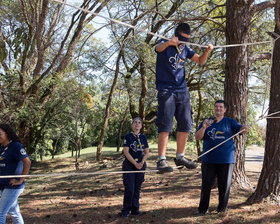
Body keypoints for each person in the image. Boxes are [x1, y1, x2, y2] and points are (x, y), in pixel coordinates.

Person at [155, 22, 213, 172]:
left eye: (187, 39)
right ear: (176, 35)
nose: (184, 42)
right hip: (166, 89)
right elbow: (157, 48)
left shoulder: (185, 49)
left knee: (186, 123)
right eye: (182, 39)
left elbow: (200, 61)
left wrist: (206, 51)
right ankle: (161, 160)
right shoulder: (164, 43)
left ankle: (180, 157)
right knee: (165, 124)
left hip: (182, 90)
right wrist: (169, 43)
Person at [195, 100, 250, 215]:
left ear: (225, 110)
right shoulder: (207, 121)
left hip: (226, 160)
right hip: (208, 159)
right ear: (214, 109)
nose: (218, 109)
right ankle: (202, 209)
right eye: (216, 107)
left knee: (224, 186)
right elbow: (198, 137)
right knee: (206, 186)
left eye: (221, 107)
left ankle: (222, 209)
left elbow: (241, 130)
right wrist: (204, 127)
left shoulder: (229, 122)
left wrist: (244, 128)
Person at [0, 124, 31, 224]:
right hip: (3, 185)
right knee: (14, 212)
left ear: (7, 133)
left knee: (1, 212)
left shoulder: (16, 146)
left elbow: (27, 162)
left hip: (13, 186)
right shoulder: (1, 147)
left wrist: (20, 180)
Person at [121, 117, 149, 218]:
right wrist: (135, 163)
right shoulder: (128, 136)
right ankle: (125, 211)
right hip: (129, 165)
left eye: (139, 123)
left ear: (141, 126)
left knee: (137, 188)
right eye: (135, 122)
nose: (137, 124)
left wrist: (142, 162)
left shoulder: (143, 137)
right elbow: (126, 152)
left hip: (141, 165)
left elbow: (147, 152)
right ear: (132, 125)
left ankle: (135, 209)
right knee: (130, 188)